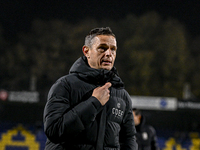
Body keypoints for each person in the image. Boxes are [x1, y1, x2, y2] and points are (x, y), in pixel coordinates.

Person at [43, 27, 138, 150]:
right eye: (102, 48)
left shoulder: (122, 95)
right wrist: (94, 103)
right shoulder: (65, 85)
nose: (109, 53)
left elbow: (128, 139)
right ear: (86, 51)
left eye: (113, 49)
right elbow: (54, 131)